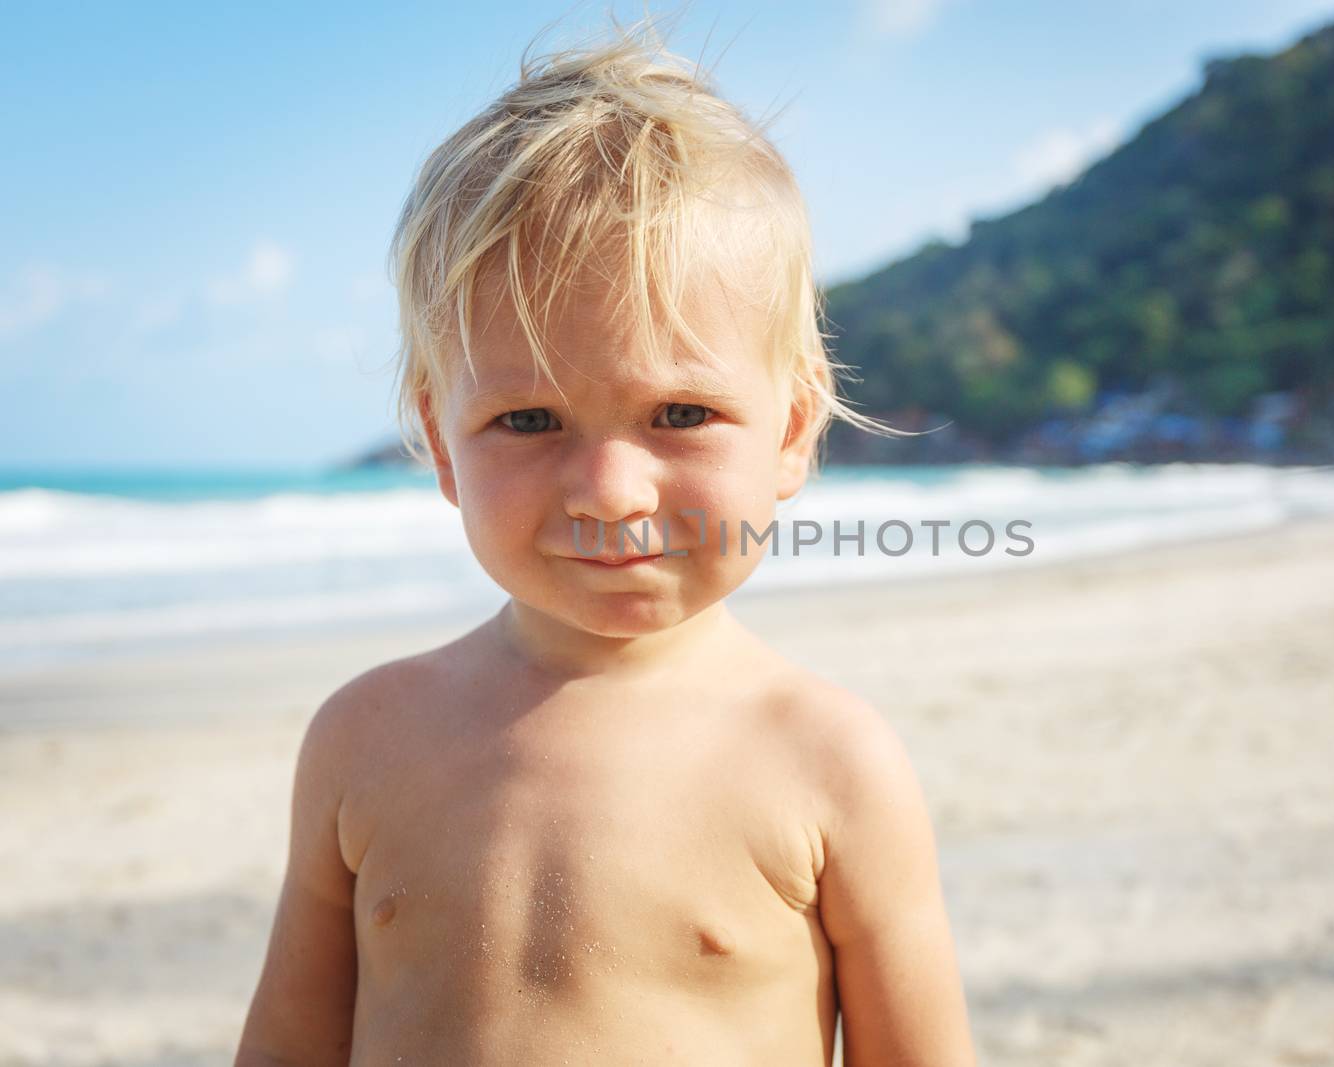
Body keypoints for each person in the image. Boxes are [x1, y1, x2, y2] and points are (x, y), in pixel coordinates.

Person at [234, 15, 977, 1067]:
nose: (608, 489)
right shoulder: (362, 737)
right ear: (442, 445)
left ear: (793, 434)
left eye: (679, 414)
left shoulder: (828, 762)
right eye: (527, 420)